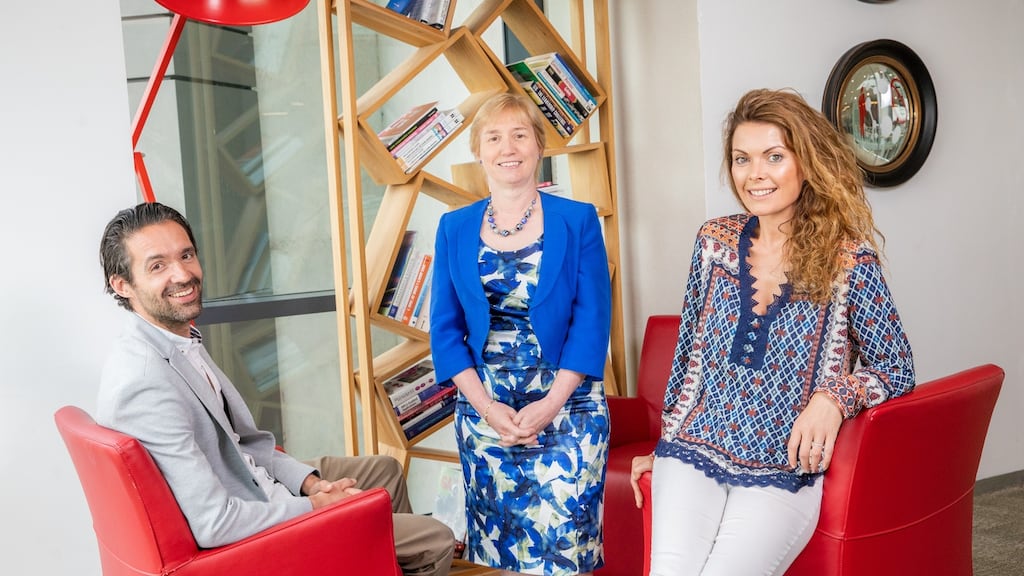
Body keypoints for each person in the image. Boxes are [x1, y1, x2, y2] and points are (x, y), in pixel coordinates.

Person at [630, 88, 916, 575]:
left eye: (773, 157)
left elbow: (896, 366)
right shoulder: (713, 241)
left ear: (806, 163)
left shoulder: (849, 261)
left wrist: (833, 397)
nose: (754, 174)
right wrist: (664, 446)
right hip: (692, 452)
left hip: (783, 472)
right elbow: (686, 362)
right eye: (742, 159)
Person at [96, 202, 454, 576]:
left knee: (385, 472)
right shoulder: (145, 382)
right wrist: (316, 506)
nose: (183, 274)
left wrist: (311, 483)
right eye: (158, 266)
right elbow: (215, 522)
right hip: (253, 529)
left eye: (186, 255)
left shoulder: (173, 340)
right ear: (122, 285)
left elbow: (245, 445)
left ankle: (367, 559)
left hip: (252, 481)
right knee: (434, 539)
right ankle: (359, 549)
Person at [429, 92, 612, 576]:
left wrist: (550, 404)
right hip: (486, 415)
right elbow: (445, 333)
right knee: (498, 557)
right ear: (478, 150)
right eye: (494, 137)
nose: (507, 147)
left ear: (538, 145)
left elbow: (592, 322)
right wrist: (489, 410)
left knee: (566, 552)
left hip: (569, 410)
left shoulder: (578, 220)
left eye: (519, 134)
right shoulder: (453, 227)